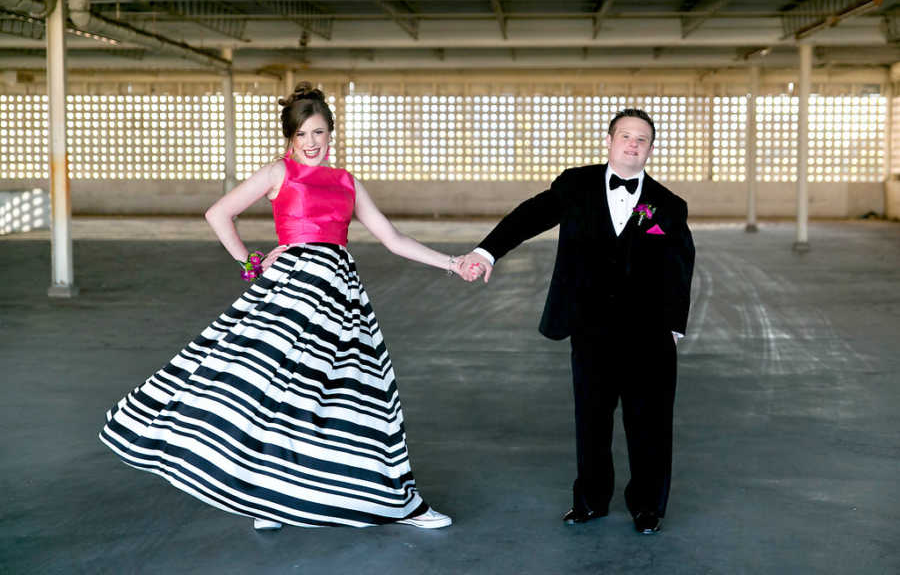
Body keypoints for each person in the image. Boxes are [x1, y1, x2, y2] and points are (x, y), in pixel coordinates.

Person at [100, 82, 476, 531]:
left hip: (340, 300)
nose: (312, 143)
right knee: (267, 392)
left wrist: (454, 263)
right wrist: (251, 263)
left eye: (318, 133)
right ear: (290, 139)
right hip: (291, 294)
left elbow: (393, 240)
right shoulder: (278, 173)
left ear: (331, 133)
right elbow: (218, 214)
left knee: (355, 396)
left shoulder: (347, 182)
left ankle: (400, 502)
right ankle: (266, 500)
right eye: (302, 136)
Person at [460, 108, 694, 534]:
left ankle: (648, 507)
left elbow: (680, 264)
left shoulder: (668, 205)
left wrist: (674, 325)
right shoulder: (576, 185)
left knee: (650, 423)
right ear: (609, 140)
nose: (633, 144)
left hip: (648, 331)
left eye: (642, 139)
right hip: (591, 327)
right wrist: (486, 251)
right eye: (625, 135)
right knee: (592, 418)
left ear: (650, 149)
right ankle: (590, 501)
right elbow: (528, 217)